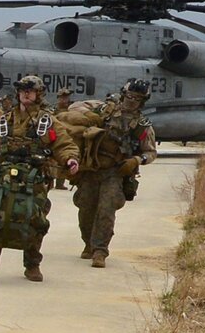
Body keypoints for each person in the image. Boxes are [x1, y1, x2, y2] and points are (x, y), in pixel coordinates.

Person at [0, 75, 78, 282]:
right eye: (22, 91)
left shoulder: (47, 121)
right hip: (3, 178)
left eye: (30, 90)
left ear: (38, 94)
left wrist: (70, 159)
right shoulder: (4, 121)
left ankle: (32, 265)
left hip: (34, 180)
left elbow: (64, 144)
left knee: (34, 220)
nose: (26, 94)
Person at [62, 79, 158, 268]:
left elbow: (151, 152)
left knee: (106, 211)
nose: (132, 100)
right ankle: (88, 243)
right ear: (123, 94)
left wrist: (136, 160)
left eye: (137, 98)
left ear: (143, 101)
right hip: (91, 169)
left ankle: (100, 251)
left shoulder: (142, 125)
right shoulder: (104, 110)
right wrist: (89, 115)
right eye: (129, 96)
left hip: (115, 172)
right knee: (86, 208)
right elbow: (75, 109)